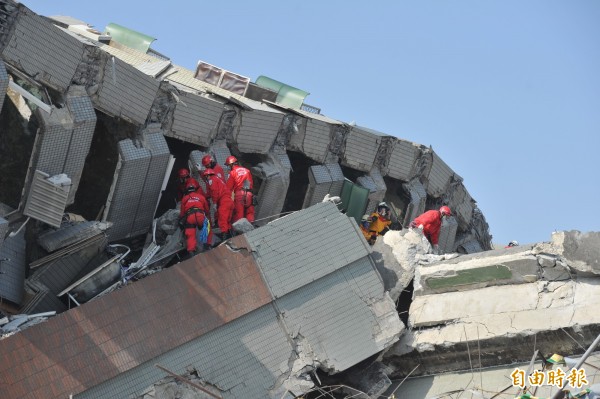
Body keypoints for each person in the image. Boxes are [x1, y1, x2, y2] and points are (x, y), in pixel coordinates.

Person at [179, 181, 211, 257]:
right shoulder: (201, 197)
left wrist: (182, 220)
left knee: (190, 234)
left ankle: (191, 251)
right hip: (200, 215)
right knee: (207, 228)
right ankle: (207, 245)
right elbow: (207, 210)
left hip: (190, 217)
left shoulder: (185, 198)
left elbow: (182, 213)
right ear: (195, 189)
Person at [202, 168, 234, 240]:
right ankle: (230, 236)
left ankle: (224, 238)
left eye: (205, 176)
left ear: (208, 175)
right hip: (229, 201)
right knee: (227, 220)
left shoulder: (211, 180)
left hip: (224, 201)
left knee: (222, 219)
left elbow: (214, 192)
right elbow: (210, 193)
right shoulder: (218, 179)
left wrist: (215, 203)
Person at [224, 155, 255, 223]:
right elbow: (249, 184)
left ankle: (240, 231)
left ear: (231, 165)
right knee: (250, 212)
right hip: (248, 194)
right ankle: (251, 228)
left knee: (239, 214)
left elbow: (228, 187)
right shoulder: (247, 171)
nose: (228, 168)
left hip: (239, 194)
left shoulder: (233, 173)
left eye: (228, 166)